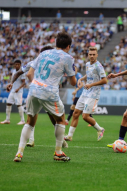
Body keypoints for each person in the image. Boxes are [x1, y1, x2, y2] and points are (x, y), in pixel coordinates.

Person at [13, 32, 76, 162]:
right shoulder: (68, 58)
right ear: (68, 46)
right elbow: (73, 82)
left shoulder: (43, 53)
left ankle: (19, 153)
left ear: (56, 43)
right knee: (61, 120)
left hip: (34, 89)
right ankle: (58, 152)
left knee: (30, 121)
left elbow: (31, 72)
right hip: (49, 92)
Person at [7, 46, 68, 148]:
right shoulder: (33, 63)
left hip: (41, 93)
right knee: (32, 117)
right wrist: (12, 83)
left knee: (51, 118)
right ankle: (32, 140)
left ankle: (61, 140)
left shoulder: (41, 63)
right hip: (40, 93)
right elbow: (18, 73)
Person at [64, 46, 107, 142]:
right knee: (75, 113)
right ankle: (69, 136)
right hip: (85, 92)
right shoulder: (88, 64)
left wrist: (91, 84)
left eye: (93, 54)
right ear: (88, 55)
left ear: (97, 55)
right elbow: (89, 74)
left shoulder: (99, 66)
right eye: (90, 54)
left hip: (94, 94)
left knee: (85, 116)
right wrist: (81, 78)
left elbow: (104, 80)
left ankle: (100, 129)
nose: (92, 56)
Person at [0, 60, 26, 125]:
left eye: (18, 64)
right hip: (13, 90)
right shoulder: (14, 71)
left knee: (19, 105)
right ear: (14, 65)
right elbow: (13, 81)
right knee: (8, 103)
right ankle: (7, 120)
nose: (17, 65)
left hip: (19, 91)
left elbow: (24, 83)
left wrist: (18, 88)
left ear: (20, 65)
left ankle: (22, 120)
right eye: (16, 64)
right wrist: (10, 87)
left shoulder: (22, 72)